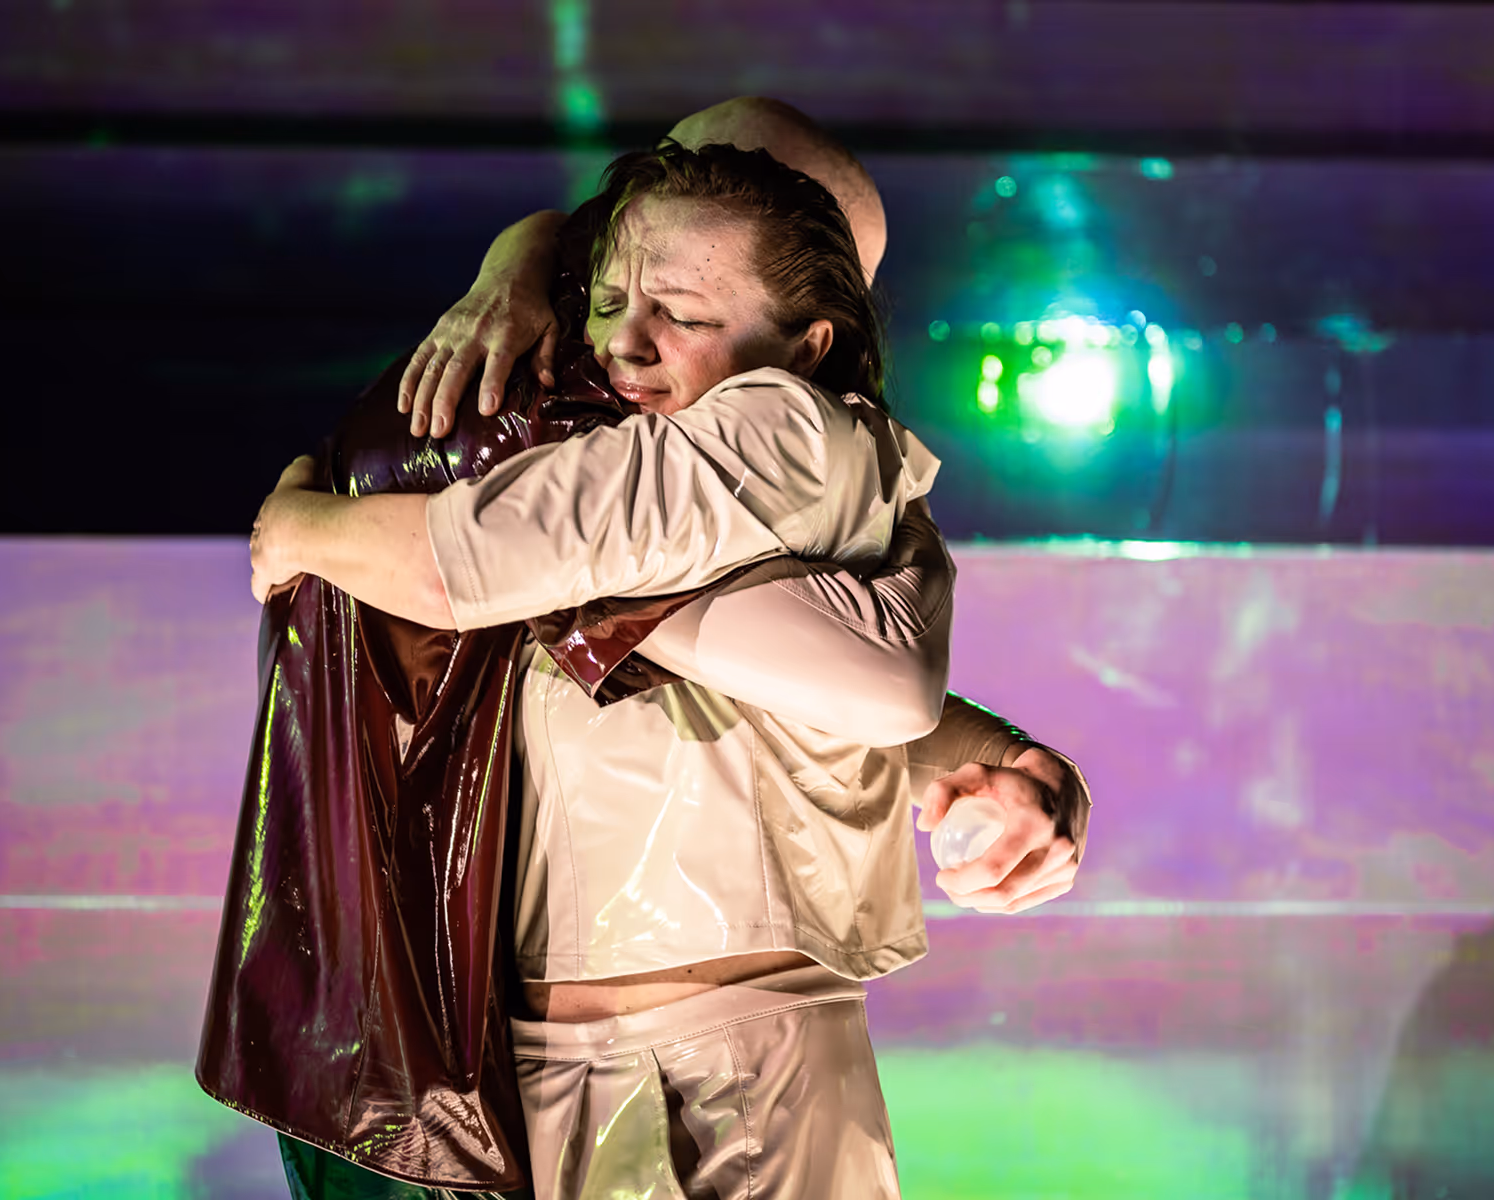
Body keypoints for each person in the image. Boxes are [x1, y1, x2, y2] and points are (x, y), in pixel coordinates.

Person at [252, 138, 1090, 1198]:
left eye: (688, 309)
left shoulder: (769, 425)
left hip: (739, 1051)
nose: (634, 340)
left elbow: (869, 680)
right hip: (559, 1062)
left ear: (808, 329)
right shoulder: (560, 432)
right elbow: (827, 673)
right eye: (612, 290)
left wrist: (300, 530)